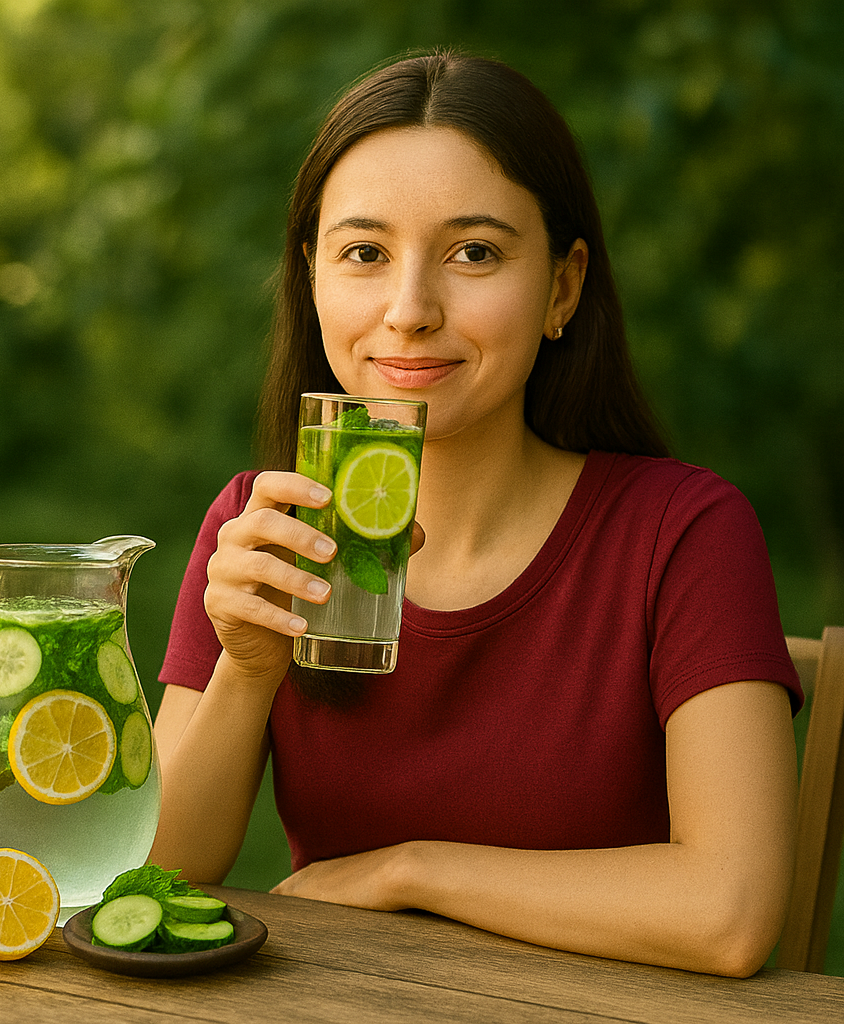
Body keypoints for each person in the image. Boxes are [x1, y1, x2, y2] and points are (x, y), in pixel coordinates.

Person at [149, 50, 803, 977]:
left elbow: (729, 914)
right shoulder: (263, 527)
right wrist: (248, 672)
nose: (410, 310)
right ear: (311, 279)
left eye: (475, 253)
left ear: (563, 289)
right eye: (364, 254)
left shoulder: (682, 531)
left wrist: (412, 872)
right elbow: (153, 876)